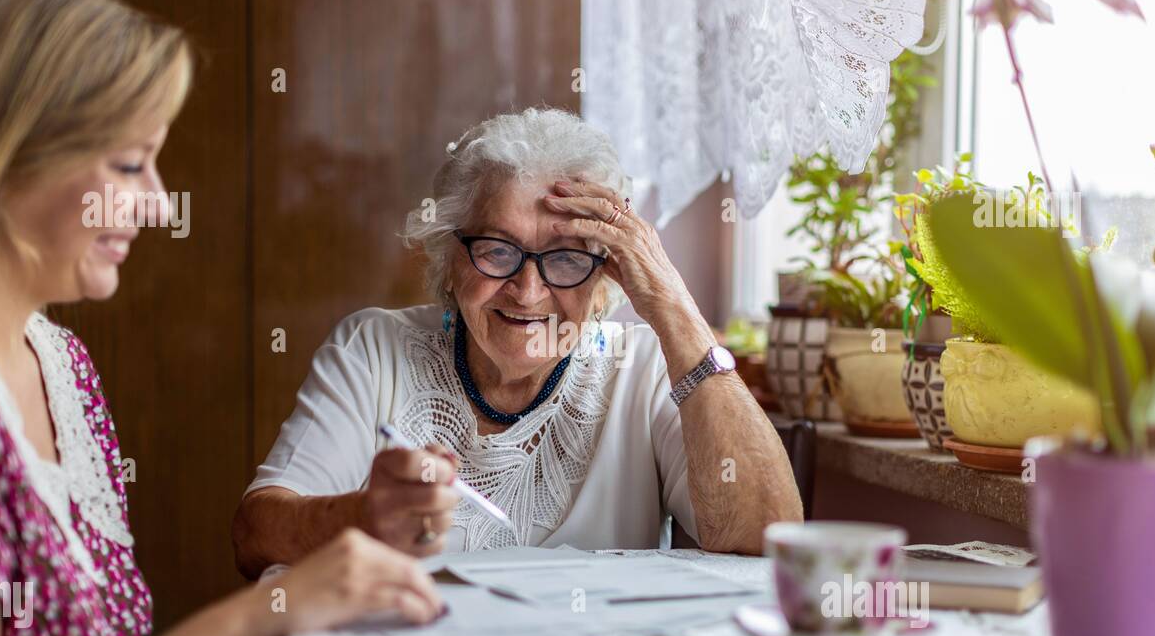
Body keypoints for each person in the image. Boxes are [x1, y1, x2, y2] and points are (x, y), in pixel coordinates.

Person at [0, 0, 443, 636]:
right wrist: (267, 610)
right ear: (11, 156)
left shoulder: (61, 364)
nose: (162, 206)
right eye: (132, 165)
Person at [233, 107, 802, 572]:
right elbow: (255, 535)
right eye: (498, 251)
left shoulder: (645, 368)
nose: (528, 292)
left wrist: (674, 307)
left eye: (565, 258)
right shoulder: (374, 349)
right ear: (450, 259)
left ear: (608, 275)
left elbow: (770, 539)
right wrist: (361, 516)